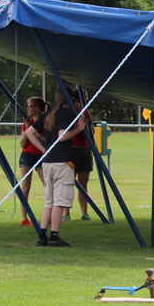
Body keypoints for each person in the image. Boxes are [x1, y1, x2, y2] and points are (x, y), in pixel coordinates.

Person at [21, 87, 86, 247]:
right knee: (59, 201)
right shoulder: (67, 114)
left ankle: (42, 236)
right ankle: (54, 237)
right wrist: (78, 129)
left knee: (48, 201)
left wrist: (44, 149)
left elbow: (29, 132)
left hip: (47, 162)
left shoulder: (48, 115)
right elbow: (62, 136)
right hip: (62, 162)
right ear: (69, 99)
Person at [18, 97, 49, 227]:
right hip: (27, 156)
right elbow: (22, 144)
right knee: (25, 188)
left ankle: (50, 217)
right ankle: (25, 218)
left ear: (37, 108)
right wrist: (27, 130)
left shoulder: (46, 122)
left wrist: (34, 132)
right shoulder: (27, 122)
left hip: (41, 156)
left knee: (47, 185)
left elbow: (47, 141)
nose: (28, 109)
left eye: (30, 106)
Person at [65, 91, 94, 222]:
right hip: (72, 150)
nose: (85, 102)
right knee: (69, 182)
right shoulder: (69, 113)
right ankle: (66, 213)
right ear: (76, 101)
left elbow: (91, 132)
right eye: (82, 100)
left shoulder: (86, 113)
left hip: (85, 150)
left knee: (83, 183)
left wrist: (89, 121)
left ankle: (84, 213)